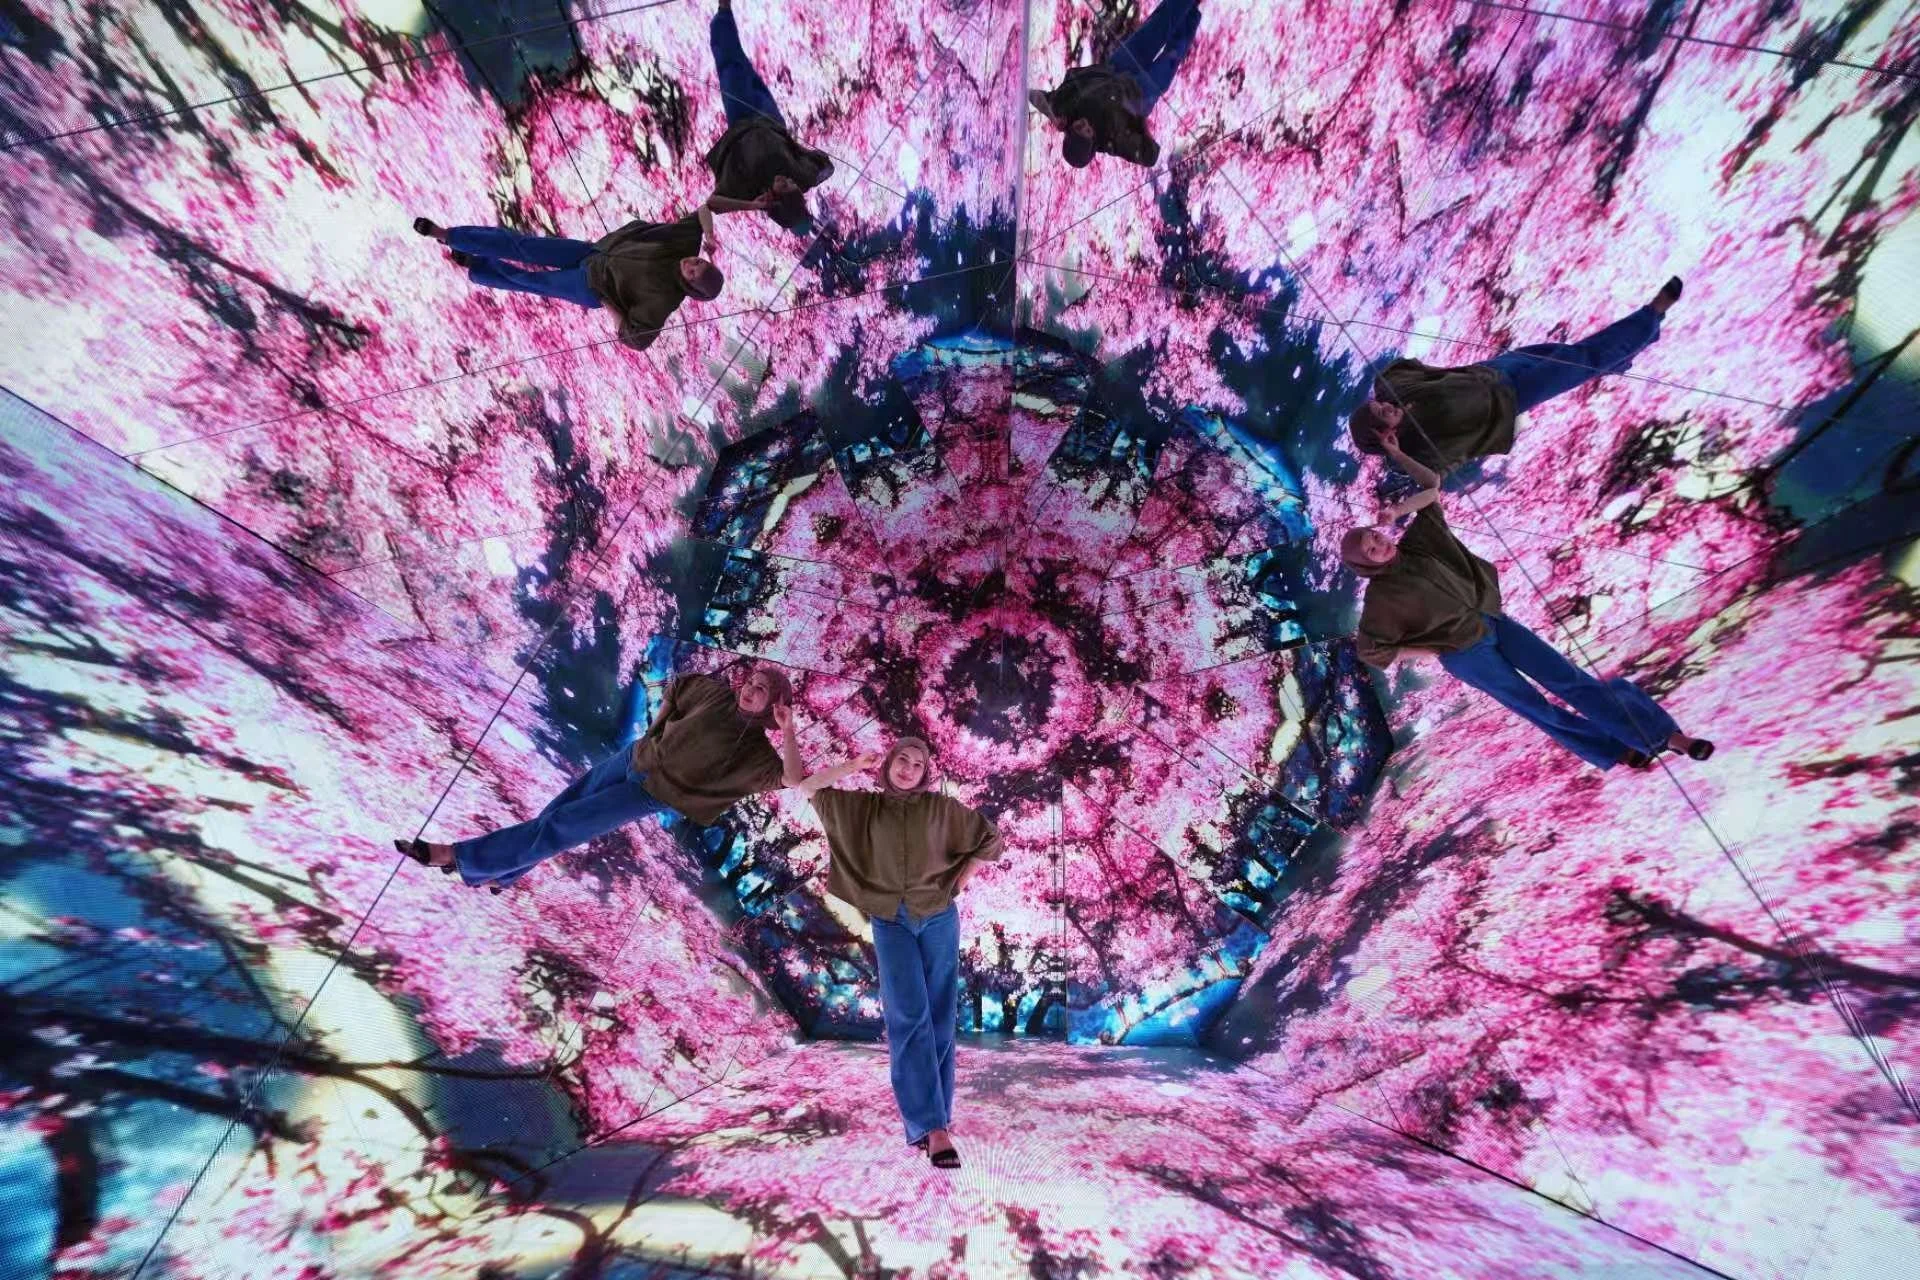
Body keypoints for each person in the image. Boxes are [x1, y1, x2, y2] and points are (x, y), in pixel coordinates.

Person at [1344, 446, 1713, 771]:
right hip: (1467, 655)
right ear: (1365, 564)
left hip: (1495, 621)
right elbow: (1370, 650)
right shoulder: (1380, 599)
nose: (1379, 545)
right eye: (1371, 550)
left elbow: (1431, 487)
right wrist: (1429, 651)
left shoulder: (1419, 542)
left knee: (1571, 680)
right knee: (1536, 707)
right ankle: (1615, 750)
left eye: (1375, 537)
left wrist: (1397, 463)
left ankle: (1665, 737)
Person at [785, 732, 1003, 1170]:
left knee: (939, 1018)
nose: (908, 769)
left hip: (939, 918)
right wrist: (850, 766)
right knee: (908, 1016)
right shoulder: (862, 808)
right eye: (901, 760)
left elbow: (990, 841)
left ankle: (936, 1121)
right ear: (887, 765)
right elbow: (802, 784)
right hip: (890, 921)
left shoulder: (942, 810)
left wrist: (960, 881)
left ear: (926, 773)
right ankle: (933, 1127)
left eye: (917, 764)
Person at [393, 665, 793, 891]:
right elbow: (677, 687)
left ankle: (457, 855)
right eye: (753, 681)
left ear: (774, 707)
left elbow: (792, 777)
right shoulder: (716, 693)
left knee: (565, 826)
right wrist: (656, 728)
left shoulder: (757, 753)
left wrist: (788, 730)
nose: (751, 689)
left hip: (649, 793)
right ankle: (504, 875)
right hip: (631, 758)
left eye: (763, 691)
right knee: (559, 812)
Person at [1349, 278, 1685, 476]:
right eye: (1383, 414)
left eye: (1380, 405)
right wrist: (1396, 452)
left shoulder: (1393, 391)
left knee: (1571, 354)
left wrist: (1390, 393)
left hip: (1496, 368)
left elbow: (1397, 370)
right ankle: (1652, 314)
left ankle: (1630, 348)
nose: (1386, 406)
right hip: (1515, 397)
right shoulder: (1419, 449)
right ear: (1383, 434)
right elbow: (1435, 478)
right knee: (1583, 360)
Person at [408, 209, 726, 351]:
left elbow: (637, 340)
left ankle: (476, 264)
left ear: (691, 287)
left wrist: (608, 304)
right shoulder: (683, 245)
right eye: (697, 262)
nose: (690, 263)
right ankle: (448, 235)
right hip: (591, 252)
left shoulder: (663, 301)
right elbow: (704, 209)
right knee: (524, 245)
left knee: (529, 280)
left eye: (693, 272)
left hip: (589, 287)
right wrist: (709, 235)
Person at [703, 0, 835, 233]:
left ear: (775, 199)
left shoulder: (747, 189)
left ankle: (723, 10)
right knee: (743, 66)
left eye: (784, 185)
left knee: (730, 67)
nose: (788, 179)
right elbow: (826, 165)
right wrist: (811, 170)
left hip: (741, 121)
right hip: (771, 119)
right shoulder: (801, 177)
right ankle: (726, 21)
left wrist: (751, 205)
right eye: (793, 183)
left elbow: (713, 204)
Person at [1027, 0, 1203, 168]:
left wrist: (1051, 114)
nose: (1086, 123)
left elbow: (1032, 96)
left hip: (1116, 68)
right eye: (1089, 131)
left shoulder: (1061, 110)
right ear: (1093, 142)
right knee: (1172, 55)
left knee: (1158, 25)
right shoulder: (1112, 142)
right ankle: (1193, 6)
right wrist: (1142, 122)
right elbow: (1150, 157)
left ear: (1069, 132)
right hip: (1140, 94)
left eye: (1080, 126)